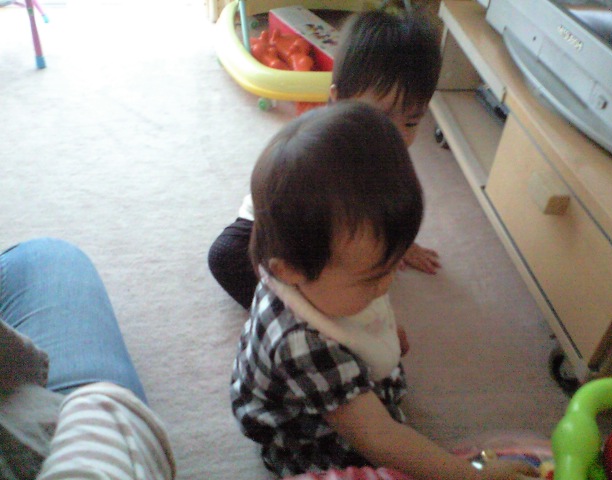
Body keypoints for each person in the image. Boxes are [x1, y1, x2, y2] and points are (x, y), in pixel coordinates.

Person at [230, 102, 538, 480]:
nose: (387, 285)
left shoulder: (323, 277)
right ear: (289, 271)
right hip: (307, 438)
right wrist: (471, 477)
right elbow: (378, 439)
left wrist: (381, 331)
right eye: (372, 278)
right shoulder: (305, 344)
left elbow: (367, 292)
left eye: (393, 264)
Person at [208, 9, 442, 310]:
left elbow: (387, 206)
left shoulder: (386, 154)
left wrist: (399, 244)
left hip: (337, 231)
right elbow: (291, 225)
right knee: (226, 256)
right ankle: (294, 312)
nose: (394, 134)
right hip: (277, 226)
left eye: (411, 122)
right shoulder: (320, 153)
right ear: (338, 99)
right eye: (381, 116)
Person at [0, 237, 175, 479]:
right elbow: (111, 415)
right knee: (47, 256)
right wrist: (101, 407)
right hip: (40, 431)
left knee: (43, 257)